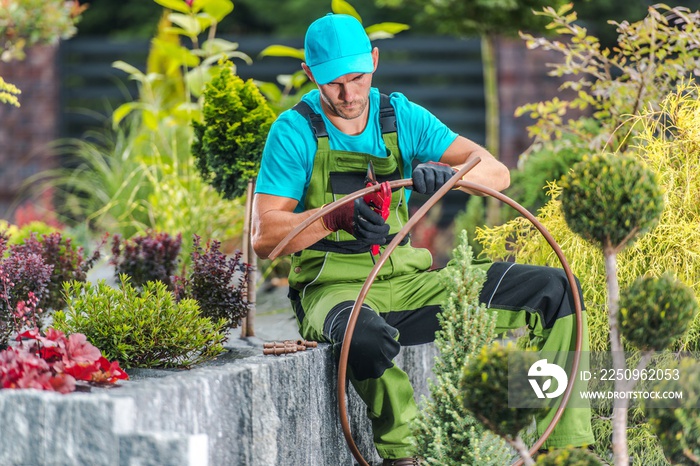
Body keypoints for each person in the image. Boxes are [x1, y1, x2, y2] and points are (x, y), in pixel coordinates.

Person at [252, 13, 594, 466]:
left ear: (374, 61)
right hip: (335, 292)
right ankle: (405, 454)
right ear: (310, 74)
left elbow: (498, 172)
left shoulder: (401, 116)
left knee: (556, 290)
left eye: (358, 77)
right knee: (364, 334)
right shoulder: (294, 132)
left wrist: (450, 176)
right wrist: (334, 217)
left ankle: (566, 448)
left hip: (414, 285)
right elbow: (265, 235)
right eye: (334, 83)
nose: (350, 94)